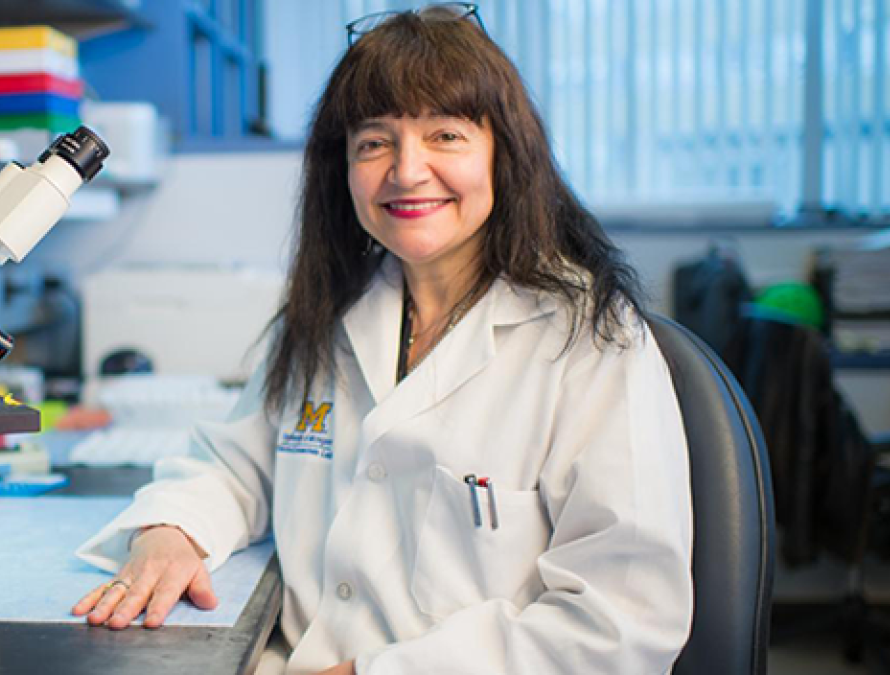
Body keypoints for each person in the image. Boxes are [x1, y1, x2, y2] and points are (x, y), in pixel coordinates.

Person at [72, 4, 693, 674]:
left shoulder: (588, 338)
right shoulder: (326, 313)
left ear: (504, 155)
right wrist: (174, 528)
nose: (406, 170)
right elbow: (237, 462)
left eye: (446, 136)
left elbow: (622, 618)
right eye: (374, 142)